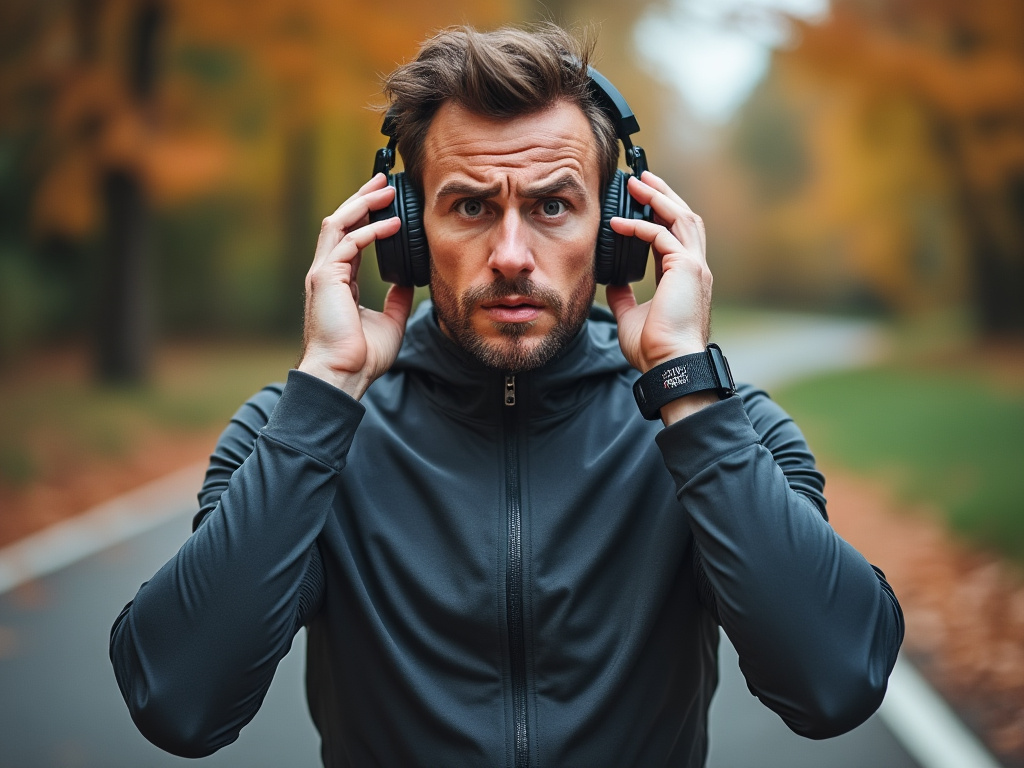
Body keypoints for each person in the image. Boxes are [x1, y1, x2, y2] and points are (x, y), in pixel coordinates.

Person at [109, 24, 904, 768]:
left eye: (553, 205)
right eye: (470, 207)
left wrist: (687, 392)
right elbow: (181, 703)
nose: (513, 254)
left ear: (618, 228)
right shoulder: (294, 432)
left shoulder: (727, 428)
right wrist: (326, 392)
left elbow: (832, 685)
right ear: (404, 235)